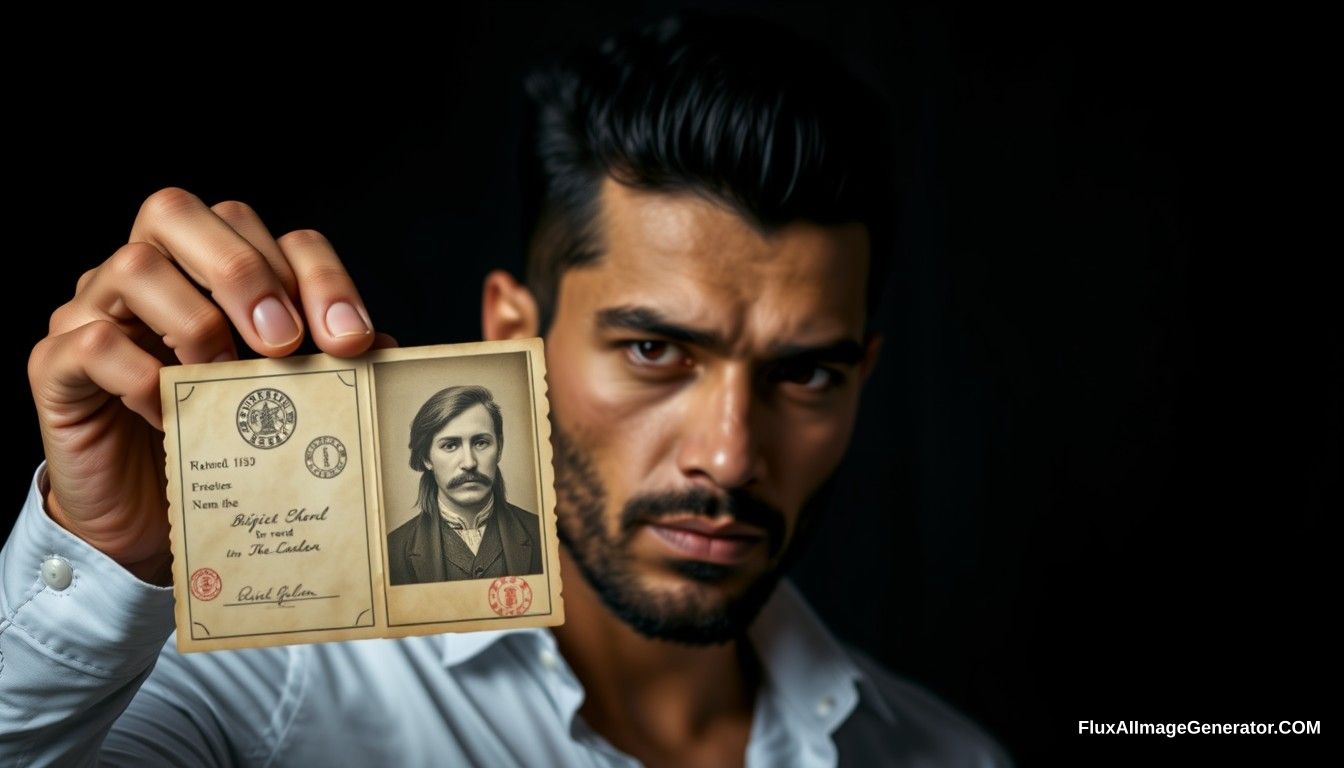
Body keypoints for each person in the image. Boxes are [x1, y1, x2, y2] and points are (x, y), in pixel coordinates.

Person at [2, 13, 1011, 767]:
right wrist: (101, 560)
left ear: (863, 377)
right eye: (656, 351)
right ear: (511, 330)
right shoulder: (265, 682)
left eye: (805, 372)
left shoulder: (945, 757)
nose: (730, 455)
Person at [387, 384, 543, 584]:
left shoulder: (543, 534)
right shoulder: (392, 550)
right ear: (427, 457)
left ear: (500, 447)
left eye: (480, 443)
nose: (469, 463)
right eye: (450, 445)